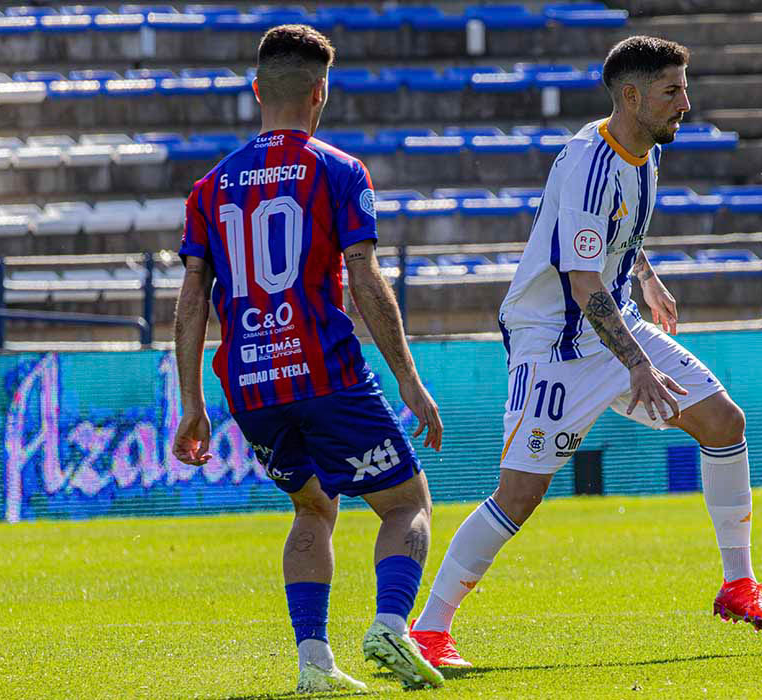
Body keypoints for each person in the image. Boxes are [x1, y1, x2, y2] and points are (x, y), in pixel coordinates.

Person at [409, 35, 762, 668]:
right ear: (631, 96)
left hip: (614, 322)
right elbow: (582, 282)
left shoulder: (644, 150)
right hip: (553, 343)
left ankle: (738, 585)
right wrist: (638, 362)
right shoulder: (589, 163)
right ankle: (429, 629)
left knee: (724, 422)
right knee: (519, 496)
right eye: (672, 91)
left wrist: (645, 275)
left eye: (685, 88)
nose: (685, 103)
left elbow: (615, 233)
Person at [170, 24, 444, 693]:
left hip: (250, 382)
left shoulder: (210, 187)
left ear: (256, 90)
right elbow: (366, 279)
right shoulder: (339, 170)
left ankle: (314, 662)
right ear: (320, 92)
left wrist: (192, 404)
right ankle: (391, 626)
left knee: (313, 508)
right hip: (324, 370)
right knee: (406, 502)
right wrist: (408, 379)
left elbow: (191, 298)